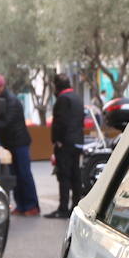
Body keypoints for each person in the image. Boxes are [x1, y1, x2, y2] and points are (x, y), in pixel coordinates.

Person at [0, 74, 39, 216]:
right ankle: (21, 205)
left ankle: (32, 205)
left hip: (19, 143)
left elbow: (6, 122)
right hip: (10, 143)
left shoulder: (12, 101)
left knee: (24, 175)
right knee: (15, 175)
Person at [46, 74, 83, 218]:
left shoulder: (63, 99)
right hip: (77, 142)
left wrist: (57, 140)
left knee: (64, 175)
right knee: (76, 175)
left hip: (65, 143)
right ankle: (75, 206)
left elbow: (60, 122)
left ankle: (63, 208)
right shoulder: (77, 98)